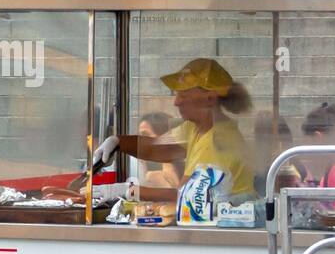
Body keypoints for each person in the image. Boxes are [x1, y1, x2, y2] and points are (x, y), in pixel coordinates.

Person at [52, 58, 255, 204]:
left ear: (210, 98)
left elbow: (183, 195)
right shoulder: (195, 127)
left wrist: (126, 191)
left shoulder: (218, 141)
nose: (176, 102)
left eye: (183, 94)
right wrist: (117, 142)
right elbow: (156, 148)